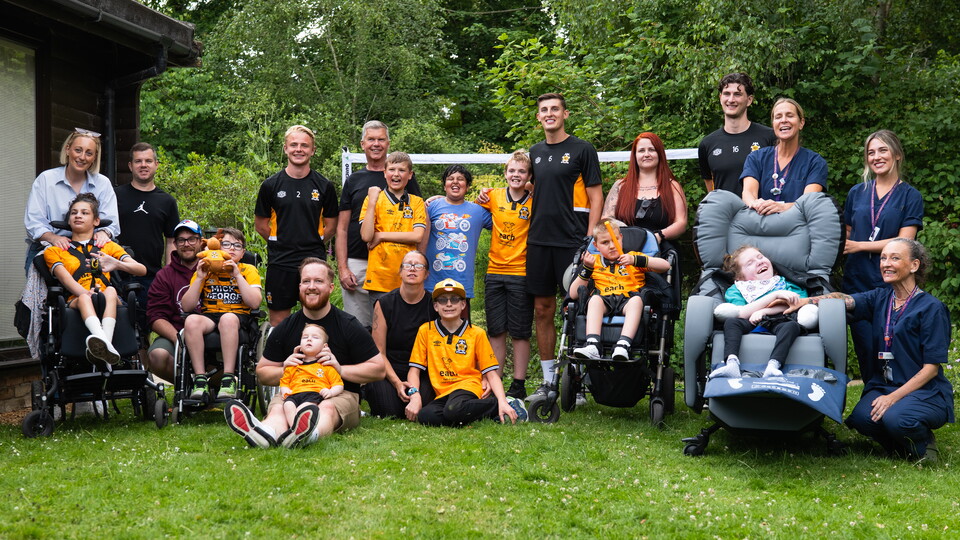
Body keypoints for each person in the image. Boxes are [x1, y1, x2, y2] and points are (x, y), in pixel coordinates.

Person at [788, 239, 953, 463]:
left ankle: (924, 446)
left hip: (924, 389)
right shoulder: (880, 297)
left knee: (897, 418)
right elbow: (842, 300)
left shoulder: (931, 308)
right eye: (883, 258)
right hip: (885, 385)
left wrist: (892, 398)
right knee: (862, 419)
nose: (886, 263)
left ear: (914, 265)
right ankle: (899, 445)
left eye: (895, 258)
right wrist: (803, 301)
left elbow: (931, 369)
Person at [223, 258, 385, 448]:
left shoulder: (348, 325)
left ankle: (309, 434)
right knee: (279, 409)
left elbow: (378, 370)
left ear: (331, 287)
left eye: (318, 281)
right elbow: (263, 373)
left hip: (337, 394)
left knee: (326, 408)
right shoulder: (287, 326)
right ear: (299, 286)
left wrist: (339, 369)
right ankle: (263, 434)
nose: (311, 287)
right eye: (306, 281)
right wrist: (286, 368)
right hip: (295, 389)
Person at [526, 93, 604, 402]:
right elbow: (526, 186)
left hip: (573, 241)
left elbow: (596, 196)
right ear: (538, 117)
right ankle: (548, 383)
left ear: (565, 114)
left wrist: (592, 239)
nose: (549, 114)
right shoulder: (534, 152)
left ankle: (577, 380)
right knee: (542, 310)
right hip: (538, 242)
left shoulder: (582, 149)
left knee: (576, 309)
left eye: (554, 109)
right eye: (543, 109)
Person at [842, 130, 923, 382]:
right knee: (866, 351)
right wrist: (851, 246)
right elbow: (846, 235)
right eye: (871, 152)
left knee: (893, 350)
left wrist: (860, 246)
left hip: (891, 285)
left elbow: (905, 242)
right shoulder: (857, 192)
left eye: (882, 150)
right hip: (857, 283)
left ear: (897, 155)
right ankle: (871, 403)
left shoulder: (911, 196)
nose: (876, 157)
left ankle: (899, 402)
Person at [404, 279, 527, 426]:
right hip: (443, 392)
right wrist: (415, 396)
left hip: (468, 386)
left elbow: (491, 373)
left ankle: (506, 403)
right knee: (426, 416)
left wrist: (502, 400)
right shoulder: (426, 330)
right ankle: (483, 413)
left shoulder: (476, 333)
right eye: (443, 300)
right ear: (436, 306)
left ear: (463, 305)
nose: (449, 304)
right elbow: (414, 370)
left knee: (454, 409)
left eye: (454, 299)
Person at [43, 193, 146, 364]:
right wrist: (87, 293)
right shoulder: (54, 251)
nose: (78, 216)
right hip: (76, 298)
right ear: (68, 220)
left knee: (111, 290)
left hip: (108, 297)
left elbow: (141, 269)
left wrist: (116, 263)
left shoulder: (108, 246)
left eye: (85, 213)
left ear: (96, 221)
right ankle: (106, 346)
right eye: (74, 213)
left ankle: (103, 342)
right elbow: (64, 278)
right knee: (84, 297)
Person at [337, 121, 422, 328]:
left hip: (397, 264)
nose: (376, 144)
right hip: (358, 262)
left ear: (388, 143)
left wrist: (420, 260)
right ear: (363, 143)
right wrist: (342, 267)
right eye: (371, 139)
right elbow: (342, 228)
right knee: (359, 327)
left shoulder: (406, 179)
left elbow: (419, 223)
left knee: (396, 325)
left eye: (381, 139)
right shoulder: (354, 180)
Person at [255, 125, 338, 327]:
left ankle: (313, 358)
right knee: (279, 321)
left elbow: (331, 226)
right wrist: (282, 241)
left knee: (315, 316)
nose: (298, 149)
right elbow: (261, 225)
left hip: (313, 261)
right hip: (280, 261)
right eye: (293, 145)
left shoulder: (324, 185)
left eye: (304, 145)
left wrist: (311, 242)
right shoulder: (270, 185)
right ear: (285, 148)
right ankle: (281, 358)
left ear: (312, 150)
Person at [477, 151, 535, 398]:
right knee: (496, 330)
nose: (516, 175)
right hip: (494, 272)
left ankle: (519, 383)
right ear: (505, 173)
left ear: (529, 176)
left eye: (522, 171)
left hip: (521, 272)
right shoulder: (492, 196)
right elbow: (462, 207)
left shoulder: (535, 200)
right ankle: (496, 381)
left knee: (520, 331)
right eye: (512, 170)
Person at [569, 219, 670, 361]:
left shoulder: (633, 257)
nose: (611, 246)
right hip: (604, 300)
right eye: (605, 243)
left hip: (629, 299)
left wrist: (636, 260)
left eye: (614, 239)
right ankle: (592, 345)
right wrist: (586, 268)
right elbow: (573, 294)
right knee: (595, 300)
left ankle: (623, 345)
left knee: (636, 301)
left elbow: (665, 266)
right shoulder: (593, 261)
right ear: (595, 245)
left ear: (621, 238)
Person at [181, 227, 262, 400]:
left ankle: (228, 378)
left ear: (243, 253)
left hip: (238, 316)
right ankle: (200, 379)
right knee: (192, 321)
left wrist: (238, 276)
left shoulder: (248, 270)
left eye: (237, 246)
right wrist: (201, 277)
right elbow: (186, 306)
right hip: (210, 315)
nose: (232, 248)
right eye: (226, 244)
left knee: (227, 319)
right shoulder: (205, 270)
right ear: (217, 248)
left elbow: (255, 302)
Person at [24, 128, 120, 272]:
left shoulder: (103, 183)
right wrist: (53, 238)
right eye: (78, 150)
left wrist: (104, 233)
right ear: (68, 149)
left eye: (89, 153)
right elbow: (34, 222)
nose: (82, 157)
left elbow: (111, 221)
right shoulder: (46, 180)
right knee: (46, 294)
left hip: (90, 252)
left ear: (94, 157)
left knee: (95, 290)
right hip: (50, 250)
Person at [707, 246, 810, 379]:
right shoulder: (736, 289)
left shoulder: (785, 283)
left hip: (781, 319)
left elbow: (798, 303)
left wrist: (766, 311)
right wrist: (775, 296)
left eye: (760, 257)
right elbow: (742, 312)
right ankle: (731, 364)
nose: (759, 262)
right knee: (732, 323)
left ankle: (774, 365)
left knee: (792, 327)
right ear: (740, 277)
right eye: (750, 263)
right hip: (749, 321)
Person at [366, 250, 436, 418]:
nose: (412, 269)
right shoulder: (384, 303)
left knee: (423, 405)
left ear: (426, 274)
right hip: (390, 368)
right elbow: (379, 352)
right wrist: (397, 383)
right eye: (407, 265)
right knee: (389, 410)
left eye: (418, 265)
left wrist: (415, 390)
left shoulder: (434, 304)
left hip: (422, 371)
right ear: (400, 271)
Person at [115, 142, 180, 317]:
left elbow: (172, 241)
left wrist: (168, 274)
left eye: (148, 161)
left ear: (156, 164)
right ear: (130, 166)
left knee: (147, 325)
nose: (143, 165)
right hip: (115, 274)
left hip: (151, 275)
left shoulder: (167, 201)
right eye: (138, 161)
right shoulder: (115, 196)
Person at [359, 151, 427, 306]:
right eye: (392, 170)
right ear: (384, 173)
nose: (396, 174)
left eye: (402, 170)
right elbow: (366, 236)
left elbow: (417, 236)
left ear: (410, 175)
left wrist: (381, 236)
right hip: (379, 278)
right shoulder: (373, 200)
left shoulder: (416, 202)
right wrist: (372, 201)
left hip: (408, 278)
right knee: (379, 327)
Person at [423, 165, 492, 314]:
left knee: (462, 327)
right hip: (432, 280)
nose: (455, 182)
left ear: (467, 186)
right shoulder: (431, 207)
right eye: (450, 179)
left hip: (462, 281)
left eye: (460, 179)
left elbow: (503, 222)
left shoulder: (478, 211)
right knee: (430, 326)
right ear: (444, 185)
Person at [741, 98, 827, 215]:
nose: (784, 120)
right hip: (761, 226)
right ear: (773, 124)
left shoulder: (815, 163)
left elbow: (808, 203)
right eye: (778, 117)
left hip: (797, 230)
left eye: (790, 115)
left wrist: (781, 207)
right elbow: (748, 193)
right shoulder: (756, 158)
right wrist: (756, 204)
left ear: (801, 123)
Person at [601, 132, 688, 248]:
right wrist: (630, 234)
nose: (646, 154)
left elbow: (681, 223)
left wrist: (657, 236)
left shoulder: (673, 186)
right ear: (635, 155)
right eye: (641, 150)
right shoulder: (620, 186)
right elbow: (606, 219)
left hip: (661, 252)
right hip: (624, 252)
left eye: (652, 150)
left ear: (659, 154)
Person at [698, 73, 777, 197]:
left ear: (749, 100)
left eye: (737, 94)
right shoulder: (707, 144)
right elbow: (710, 187)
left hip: (761, 214)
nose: (731, 100)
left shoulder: (770, 137)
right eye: (726, 94)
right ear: (720, 98)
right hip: (725, 215)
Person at [145, 219, 203, 382]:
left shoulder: (214, 268)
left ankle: (213, 386)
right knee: (157, 355)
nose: (186, 244)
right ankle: (190, 386)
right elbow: (155, 316)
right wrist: (179, 338)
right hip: (177, 332)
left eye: (191, 239)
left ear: (200, 241)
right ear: (175, 244)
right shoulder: (164, 275)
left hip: (209, 332)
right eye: (181, 240)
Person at [276, 324, 344, 448]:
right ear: (299, 344)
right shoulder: (294, 364)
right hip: (294, 394)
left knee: (304, 408)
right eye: (305, 337)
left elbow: (338, 384)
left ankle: (299, 432)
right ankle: (294, 430)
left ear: (324, 347)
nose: (309, 339)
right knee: (288, 405)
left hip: (313, 395)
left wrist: (331, 392)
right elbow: (284, 382)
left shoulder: (325, 365)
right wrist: (285, 391)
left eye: (315, 337)